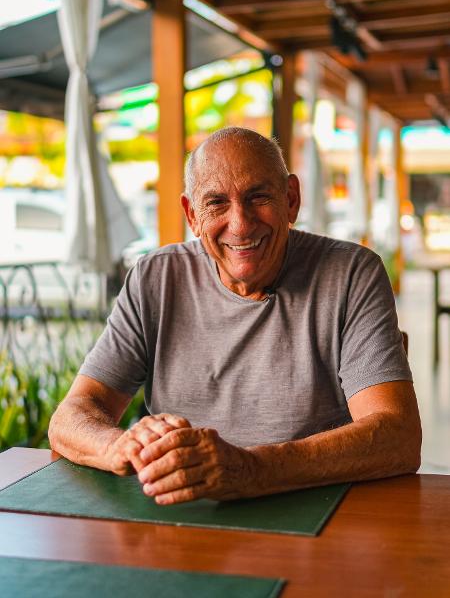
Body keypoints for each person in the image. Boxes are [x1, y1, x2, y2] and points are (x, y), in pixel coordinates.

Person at [49, 127, 421, 505]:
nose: (240, 224)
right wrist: (119, 446)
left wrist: (251, 469)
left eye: (258, 197)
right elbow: (71, 417)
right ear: (192, 215)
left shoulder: (352, 273)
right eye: (216, 203)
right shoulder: (155, 278)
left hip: (318, 510)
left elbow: (398, 435)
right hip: (181, 510)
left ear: (291, 199)